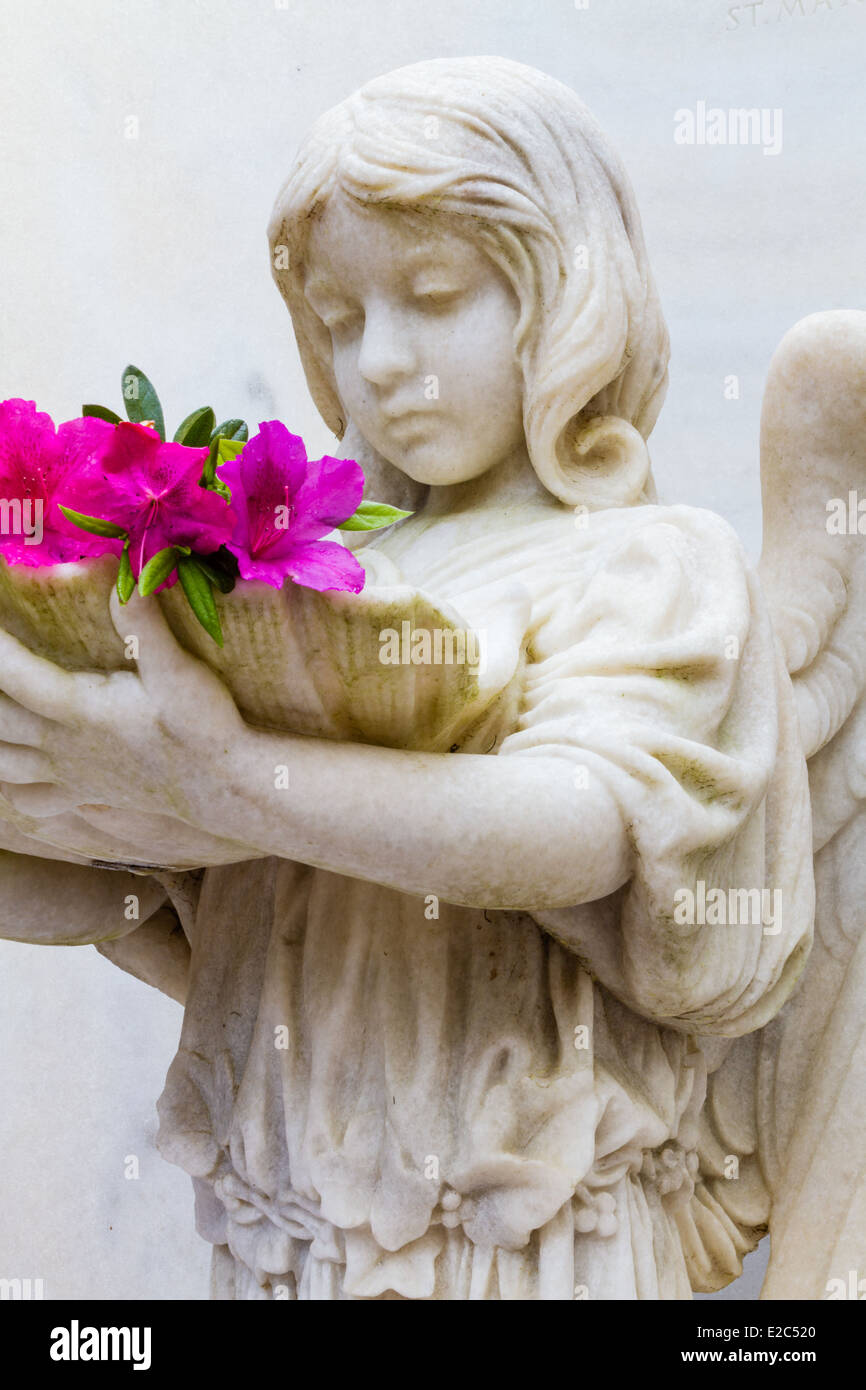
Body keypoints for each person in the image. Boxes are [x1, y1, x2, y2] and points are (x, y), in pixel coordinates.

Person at [0, 57, 812, 1299]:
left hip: (528, 1238)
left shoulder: (640, 561)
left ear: (564, 294)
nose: (377, 360)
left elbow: (579, 830)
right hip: (290, 1227)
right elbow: (160, 912)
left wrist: (223, 774)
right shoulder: (307, 584)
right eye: (337, 317)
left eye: (434, 295)